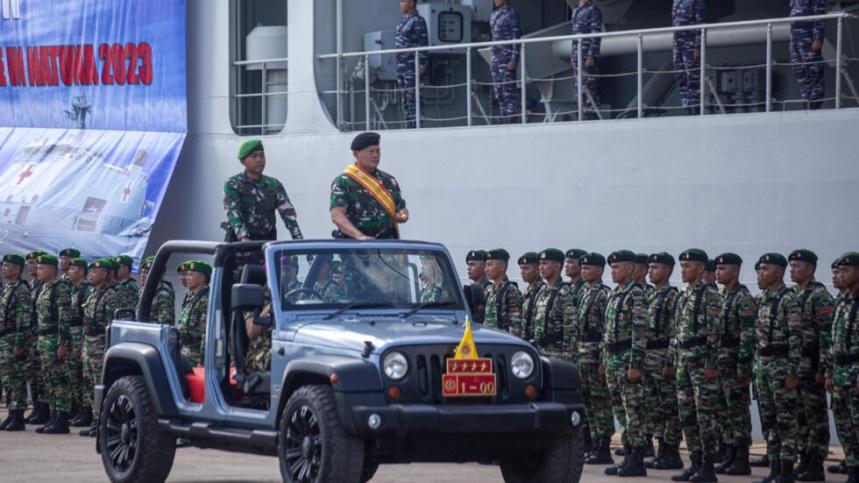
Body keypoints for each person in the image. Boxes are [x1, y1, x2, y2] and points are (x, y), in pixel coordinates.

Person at [669, 248, 723, 483]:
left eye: (688, 266)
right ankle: (695, 462)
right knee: (687, 415)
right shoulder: (683, 295)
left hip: (701, 364)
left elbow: (715, 333)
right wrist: (672, 360)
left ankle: (708, 467)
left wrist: (711, 364)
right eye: (682, 266)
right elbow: (676, 332)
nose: (683, 270)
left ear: (701, 268)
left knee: (705, 416)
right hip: (683, 362)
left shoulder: (709, 295)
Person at [601, 250, 650, 477]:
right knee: (620, 411)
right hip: (612, 359)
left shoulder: (636, 295)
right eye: (612, 267)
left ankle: (637, 459)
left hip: (626, 359)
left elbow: (639, 332)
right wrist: (604, 359)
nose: (613, 271)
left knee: (633, 412)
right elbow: (607, 331)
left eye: (617, 267)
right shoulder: (614, 294)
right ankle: (628, 455)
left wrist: (635, 364)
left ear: (630, 269)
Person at [755, 253, 803, 483]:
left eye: (765, 269)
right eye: (759, 269)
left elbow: (796, 338)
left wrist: (793, 372)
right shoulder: (763, 298)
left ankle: (785, 471)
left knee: (785, 421)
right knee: (769, 421)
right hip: (763, 366)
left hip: (781, 366)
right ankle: (774, 468)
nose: (760, 273)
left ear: (779, 272)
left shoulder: (788, 299)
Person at [788, 249, 834, 480]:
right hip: (797, 366)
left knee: (815, 416)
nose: (792, 270)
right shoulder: (794, 294)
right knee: (800, 416)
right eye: (791, 265)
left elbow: (827, 336)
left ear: (810, 268)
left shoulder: (819, 296)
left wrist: (823, 368)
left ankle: (816, 463)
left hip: (812, 364)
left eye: (797, 265)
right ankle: (804, 458)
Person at [713, 253, 756, 475]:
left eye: (723, 269)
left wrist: (743, 366)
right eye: (717, 269)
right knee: (724, 411)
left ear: (735, 272)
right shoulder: (722, 297)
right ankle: (729, 454)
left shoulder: (742, 297)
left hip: (734, 364)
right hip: (721, 364)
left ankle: (741, 457)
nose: (718, 272)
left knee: (738, 412)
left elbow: (747, 335)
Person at [644, 252, 684, 470]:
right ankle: (661, 449)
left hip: (662, 358)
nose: (651, 271)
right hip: (649, 358)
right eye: (649, 267)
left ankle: (672, 450)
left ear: (668, 270)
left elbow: (674, 332)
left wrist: (669, 362)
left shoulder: (671, 297)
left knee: (668, 407)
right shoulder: (651, 295)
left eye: (656, 267)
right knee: (654, 407)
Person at [575, 252, 615, 465]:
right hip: (582, 353)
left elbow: (605, 330)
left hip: (594, 354)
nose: (583, 271)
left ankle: (604, 445)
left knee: (601, 402)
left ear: (599, 270)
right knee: (588, 401)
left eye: (587, 268)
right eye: (582, 268)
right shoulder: (584, 292)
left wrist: (602, 360)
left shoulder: (603, 294)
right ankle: (592, 442)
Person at [330, 132, 408, 240]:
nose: (375, 155)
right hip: (354, 247)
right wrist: (359, 236)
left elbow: (401, 208)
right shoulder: (344, 182)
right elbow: (337, 216)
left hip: (388, 246)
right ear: (356, 154)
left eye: (378, 151)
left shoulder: (389, 181)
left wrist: (403, 216)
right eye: (371, 151)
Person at [223, 139, 304, 242]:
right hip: (239, 247)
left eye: (261, 155)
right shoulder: (233, 184)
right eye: (254, 156)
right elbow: (233, 213)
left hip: (266, 246)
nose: (259, 160)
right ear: (243, 161)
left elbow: (288, 214)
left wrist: (298, 239)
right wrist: (244, 238)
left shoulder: (274, 184)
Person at [827, 252, 859, 482]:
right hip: (840, 372)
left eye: (845, 271)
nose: (839, 275)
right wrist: (829, 372)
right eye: (838, 271)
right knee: (844, 425)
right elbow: (833, 341)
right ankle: (853, 469)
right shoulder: (842, 302)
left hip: (856, 371)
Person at [79, 259, 120, 438]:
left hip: (100, 343)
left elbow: (112, 324)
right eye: (91, 272)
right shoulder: (91, 294)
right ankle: (95, 421)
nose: (91, 275)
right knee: (89, 382)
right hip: (88, 342)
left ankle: (102, 422)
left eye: (96, 272)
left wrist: (108, 348)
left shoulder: (110, 295)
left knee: (99, 383)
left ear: (104, 274)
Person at [32, 254, 73, 434]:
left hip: (54, 339)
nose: (38, 270)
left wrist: (63, 343)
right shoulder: (43, 288)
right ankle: (53, 416)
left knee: (59, 380)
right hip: (43, 340)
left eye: (42, 268)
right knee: (48, 379)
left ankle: (62, 418)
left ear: (51, 269)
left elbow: (64, 318)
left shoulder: (60, 288)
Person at [0, 254, 33, 431]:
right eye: (4, 265)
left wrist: (19, 344)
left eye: (8, 266)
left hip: (13, 338)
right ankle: (11, 413)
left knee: (16, 378)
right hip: (5, 338)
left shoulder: (21, 290)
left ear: (18, 269)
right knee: (7, 378)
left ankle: (18, 415)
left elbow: (24, 319)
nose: (4, 268)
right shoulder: (8, 288)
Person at [530, 249, 575, 359]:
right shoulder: (541, 291)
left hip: (556, 354)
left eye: (544, 264)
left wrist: (568, 358)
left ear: (557, 266)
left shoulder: (564, 293)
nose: (540, 267)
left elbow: (570, 329)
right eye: (540, 264)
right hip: (539, 351)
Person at [66, 258, 93, 428]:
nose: (69, 272)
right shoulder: (70, 289)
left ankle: (86, 411)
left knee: (84, 376)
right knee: (73, 375)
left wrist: (82, 338)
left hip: (81, 336)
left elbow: (86, 318)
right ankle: (76, 409)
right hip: (71, 334)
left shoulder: (86, 289)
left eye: (73, 268)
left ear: (82, 272)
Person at [23, 250, 49, 425]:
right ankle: (38, 408)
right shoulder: (32, 285)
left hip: (43, 335)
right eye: (30, 264)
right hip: (33, 335)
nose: (31, 267)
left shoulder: (45, 287)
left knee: (43, 374)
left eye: (34, 264)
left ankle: (44, 410)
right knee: (33, 374)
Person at [395, 0, 429, 129]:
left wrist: (422, 65)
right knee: (405, 98)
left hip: (412, 66)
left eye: (404, 1)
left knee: (413, 98)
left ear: (412, 3)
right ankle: (409, 126)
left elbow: (423, 43)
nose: (401, 4)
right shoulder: (403, 21)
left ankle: (416, 126)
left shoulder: (418, 21)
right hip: (402, 66)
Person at [489, 0, 522, 123]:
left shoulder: (511, 13)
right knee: (499, 93)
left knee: (509, 93)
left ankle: (511, 121)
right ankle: (504, 120)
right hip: (496, 60)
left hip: (507, 59)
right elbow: (493, 38)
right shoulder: (493, 14)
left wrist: (514, 59)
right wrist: (491, 60)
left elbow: (516, 37)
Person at [789, 0, 826, 109]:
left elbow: (819, 14)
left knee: (813, 70)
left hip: (808, 36)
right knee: (798, 69)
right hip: (795, 38)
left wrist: (818, 37)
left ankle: (815, 101)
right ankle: (806, 99)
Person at [571, 0, 603, 119]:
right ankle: (582, 115)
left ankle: (591, 117)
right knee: (579, 88)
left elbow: (595, 34)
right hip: (576, 56)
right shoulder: (575, 10)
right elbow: (574, 35)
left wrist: (591, 55)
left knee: (590, 88)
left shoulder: (593, 10)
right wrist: (572, 55)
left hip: (586, 56)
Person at [672, 0, 705, 113]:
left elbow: (700, 24)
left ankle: (695, 107)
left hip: (690, 44)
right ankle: (686, 107)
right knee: (680, 76)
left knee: (693, 77)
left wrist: (697, 46)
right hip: (678, 44)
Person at [178, 261, 210, 367]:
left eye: (191, 275)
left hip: (195, 355)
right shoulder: (191, 297)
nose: (187, 278)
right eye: (187, 275)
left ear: (202, 278)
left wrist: (202, 361)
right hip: (184, 349)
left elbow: (206, 333)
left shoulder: (206, 300)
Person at [483, 249, 523, 333]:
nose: (486, 269)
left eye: (489, 265)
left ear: (502, 267)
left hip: (501, 341)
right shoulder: (489, 290)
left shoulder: (511, 292)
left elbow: (515, 325)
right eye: (486, 266)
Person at [139, 256, 176, 325]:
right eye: (142, 272)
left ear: (157, 275)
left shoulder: (164, 295)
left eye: (146, 273)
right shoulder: (142, 291)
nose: (142, 276)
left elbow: (165, 323)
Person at [517, 252, 543, 339]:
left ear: (538, 269)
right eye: (521, 268)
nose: (522, 272)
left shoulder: (542, 291)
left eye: (526, 268)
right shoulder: (527, 290)